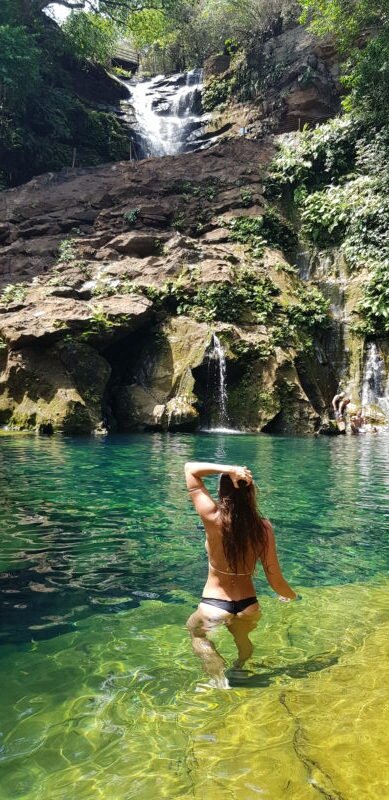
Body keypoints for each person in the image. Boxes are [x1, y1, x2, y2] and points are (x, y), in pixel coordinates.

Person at [184, 461, 297, 687]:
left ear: (221, 492)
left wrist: (228, 470)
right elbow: (274, 577)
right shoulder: (263, 528)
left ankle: (219, 680)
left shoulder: (213, 517)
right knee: (243, 640)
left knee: (196, 633)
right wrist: (293, 596)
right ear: (251, 493)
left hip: (214, 606)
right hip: (248, 607)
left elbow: (190, 469)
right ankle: (238, 668)